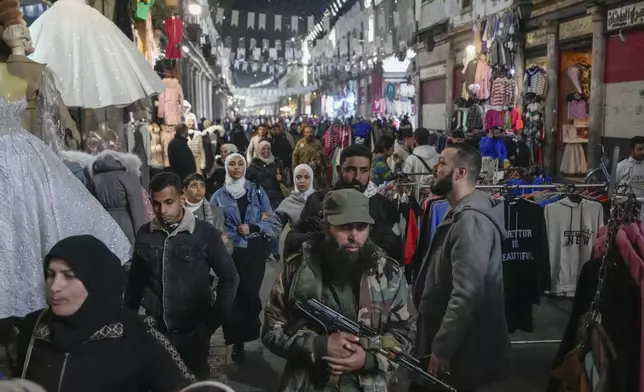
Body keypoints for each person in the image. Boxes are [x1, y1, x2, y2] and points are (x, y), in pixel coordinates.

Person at [262, 189, 416, 392]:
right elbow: (272, 332)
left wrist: (369, 358)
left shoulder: (388, 272)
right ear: (326, 227)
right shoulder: (298, 269)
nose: (354, 236)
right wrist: (318, 345)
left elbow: (406, 330)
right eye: (345, 227)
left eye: (361, 227)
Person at [15, 235, 196, 391]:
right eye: (50, 274)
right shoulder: (34, 328)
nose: (55, 286)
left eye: (69, 276)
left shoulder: (137, 335)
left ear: (96, 281)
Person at [411, 144, 509, 392]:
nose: (436, 167)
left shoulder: (470, 221)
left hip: (461, 352)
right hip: (456, 345)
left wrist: (442, 348)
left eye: (442, 162)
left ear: (460, 173)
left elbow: (467, 294)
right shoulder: (459, 212)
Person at [125, 172, 240, 380]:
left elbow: (230, 278)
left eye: (169, 202)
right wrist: (129, 321)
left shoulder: (204, 233)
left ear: (181, 198)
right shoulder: (145, 235)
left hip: (193, 334)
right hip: (155, 333)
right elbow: (135, 281)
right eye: (157, 204)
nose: (163, 210)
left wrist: (210, 324)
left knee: (193, 382)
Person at [210, 153, 282, 361]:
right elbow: (213, 226)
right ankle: (236, 342)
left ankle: (248, 333)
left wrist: (253, 226)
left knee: (250, 295)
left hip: (254, 250)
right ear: (226, 167)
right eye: (231, 164)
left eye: (240, 163)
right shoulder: (217, 197)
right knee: (233, 297)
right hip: (231, 252)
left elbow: (271, 221)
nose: (236, 167)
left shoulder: (257, 192)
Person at [285, 144, 401, 261]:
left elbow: (393, 252)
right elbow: (292, 239)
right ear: (339, 170)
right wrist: (319, 239)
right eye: (351, 170)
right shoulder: (318, 200)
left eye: (364, 170)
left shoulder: (383, 207)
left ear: (370, 171)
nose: (357, 177)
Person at [88, 149, 148, 244]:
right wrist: (142, 236)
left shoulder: (95, 178)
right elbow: (137, 207)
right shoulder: (129, 175)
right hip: (125, 224)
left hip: (104, 224)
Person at [183, 173, 232, 255]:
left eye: (202, 185)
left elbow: (227, 243)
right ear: (185, 191)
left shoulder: (215, 212)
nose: (199, 189)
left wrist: (224, 243)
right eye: (194, 186)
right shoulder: (178, 211)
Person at [246, 140, 286, 210]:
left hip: (277, 200)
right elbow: (247, 183)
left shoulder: (277, 163)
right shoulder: (254, 165)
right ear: (258, 150)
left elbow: (286, 181)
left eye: (268, 149)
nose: (266, 151)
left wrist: (281, 178)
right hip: (260, 200)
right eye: (263, 149)